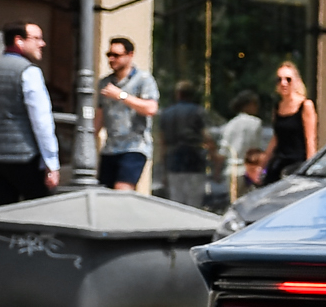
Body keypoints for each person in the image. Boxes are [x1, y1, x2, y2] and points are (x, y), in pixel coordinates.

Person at [0, 22, 58, 207]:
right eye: (36, 39)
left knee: (2, 211)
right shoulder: (29, 71)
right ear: (18, 41)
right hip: (23, 155)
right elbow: (41, 120)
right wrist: (52, 162)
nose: (42, 44)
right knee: (39, 210)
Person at [94, 36, 160, 191]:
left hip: (134, 146)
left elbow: (151, 108)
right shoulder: (105, 83)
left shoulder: (143, 80)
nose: (111, 59)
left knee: (122, 190)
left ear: (130, 55)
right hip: (110, 148)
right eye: (109, 55)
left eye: (116, 55)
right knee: (105, 194)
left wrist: (121, 96)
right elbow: (100, 115)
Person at [156, 80, 211, 209]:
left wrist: (163, 168)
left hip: (173, 160)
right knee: (194, 201)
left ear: (178, 94)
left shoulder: (166, 114)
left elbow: (162, 142)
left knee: (176, 201)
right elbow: (207, 136)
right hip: (194, 160)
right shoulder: (198, 112)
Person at [265, 61, 318, 183]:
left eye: (288, 79)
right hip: (279, 163)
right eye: (279, 79)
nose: (283, 83)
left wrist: (310, 169)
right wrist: (264, 161)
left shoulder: (305, 105)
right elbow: (276, 138)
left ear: (296, 82)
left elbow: (310, 139)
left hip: (297, 164)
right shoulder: (277, 107)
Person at [218, 88, 265, 208]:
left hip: (231, 170)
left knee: (234, 205)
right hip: (248, 170)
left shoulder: (229, 125)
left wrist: (217, 171)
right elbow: (257, 149)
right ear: (248, 105)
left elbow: (223, 151)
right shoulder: (256, 123)